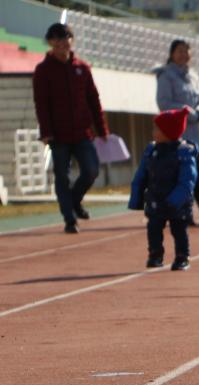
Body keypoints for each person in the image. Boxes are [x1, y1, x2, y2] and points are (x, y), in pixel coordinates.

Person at [31, 23, 108, 234]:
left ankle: (74, 200)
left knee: (91, 170)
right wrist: (46, 132)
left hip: (82, 132)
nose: (61, 43)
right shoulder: (43, 70)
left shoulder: (82, 68)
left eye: (65, 38)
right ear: (50, 42)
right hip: (58, 135)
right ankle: (69, 219)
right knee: (62, 177)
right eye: (56, 39)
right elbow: (41, 104)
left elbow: (93, 99)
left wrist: (102, 129)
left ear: (71, 40)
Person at [156, 39, 199, 224]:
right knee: (181, 176)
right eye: (179, 51)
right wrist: (188, 113)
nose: (183, 54)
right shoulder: (166, 75)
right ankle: (182, 212)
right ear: (172, 54)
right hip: (176, 134)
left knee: (196, 175)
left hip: (193, 133)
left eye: (186, 51)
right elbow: (164, 103)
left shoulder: (193, 76)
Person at [128, 108, 197, 271]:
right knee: (153, 228)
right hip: (156, 199)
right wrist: (137, 198)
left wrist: (174, 201)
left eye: (157, 129)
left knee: (179, 230)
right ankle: (155, 254)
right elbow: (141, 176)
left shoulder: (184, 152)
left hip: (177, 203)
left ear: (169, 132)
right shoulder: (152, 151)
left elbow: (187, 180)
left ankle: (182, 256)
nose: (153, 132)